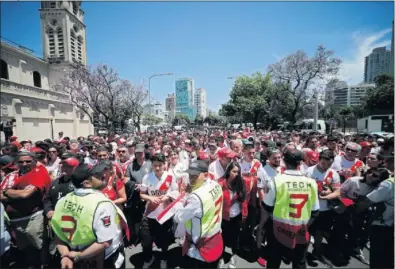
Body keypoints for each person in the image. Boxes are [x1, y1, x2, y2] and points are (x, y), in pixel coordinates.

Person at [50, 163, 129, 269]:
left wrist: (65, 255)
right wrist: (79, 256)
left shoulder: (62, 201)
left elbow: (58, 234)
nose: (102, 175)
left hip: (73, 255)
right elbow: (105, 242)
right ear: (87, 183)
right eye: (97, 175)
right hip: (103, 258)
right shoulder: (102, 204)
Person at [260, 147, 319, 268]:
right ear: (301, 163)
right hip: (301, 228)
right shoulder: (311, 182)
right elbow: (315, 211)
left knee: (274, 260)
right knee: (299, 262)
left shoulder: (276, 181)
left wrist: (262, 225)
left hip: (278, 228)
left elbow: (267, 208)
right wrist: (305, 227)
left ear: (284, 162)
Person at [0, 151, 51, 268]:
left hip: (34, 218)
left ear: (34, 161)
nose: (24, 164)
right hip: (15, 220)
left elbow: (25, 194)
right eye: (21, 162)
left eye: (28, 161)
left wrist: (7, 192)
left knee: (40, 246)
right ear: (16, 163)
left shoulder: (39, 173)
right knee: (26, 249)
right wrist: (15, 193)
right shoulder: (10, 176)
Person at [173, 160, 224, 268]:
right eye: (190, 174)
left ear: (205, 175)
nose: (191, 178)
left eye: (195, 176)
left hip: (200, 244)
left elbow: (178, 217)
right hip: (215, 235)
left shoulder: (196, 197)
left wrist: (183, 198)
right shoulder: (216, 185)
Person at [139, 153, 179, 269]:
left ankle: (164, 258)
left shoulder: (170, 176)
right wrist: (150, 198)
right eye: (155, 165)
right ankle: (148, 258)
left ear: (164, 165)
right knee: (146, 240)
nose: (157, 168)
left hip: (164, 214)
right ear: (151, 165)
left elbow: (176, 193)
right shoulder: (147, 177)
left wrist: (165, 198)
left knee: (164, 241)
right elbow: (141, 194)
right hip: (150, 214)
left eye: (160, 165)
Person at [304, 150, 340, 266]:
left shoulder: (333, 174)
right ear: (319, 160)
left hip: (325, 209)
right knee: (306, 231)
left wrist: (329, 192)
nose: (325, 167)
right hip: (309, 208)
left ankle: (317, 252)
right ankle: (303, 253)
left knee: (320, 232)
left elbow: (337, 191)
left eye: (329, 164)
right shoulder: (309, 171)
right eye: (323, 163)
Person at [355, 169, 393, 269]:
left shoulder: (388, 185)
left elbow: (366, 203)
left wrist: (356, 210)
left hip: (382, 226)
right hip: (387, 224)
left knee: (378, 259)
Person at [218, 162, 246, 268]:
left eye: (238, 172)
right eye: (234, 171)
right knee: (222, 239)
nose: (237, 174)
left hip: (236, 216)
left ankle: (233, 256)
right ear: (228, 171)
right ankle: (220, 258)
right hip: (223, 217)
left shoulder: (240, 182)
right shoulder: (221, 183)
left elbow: (243, 198)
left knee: (235, 238)